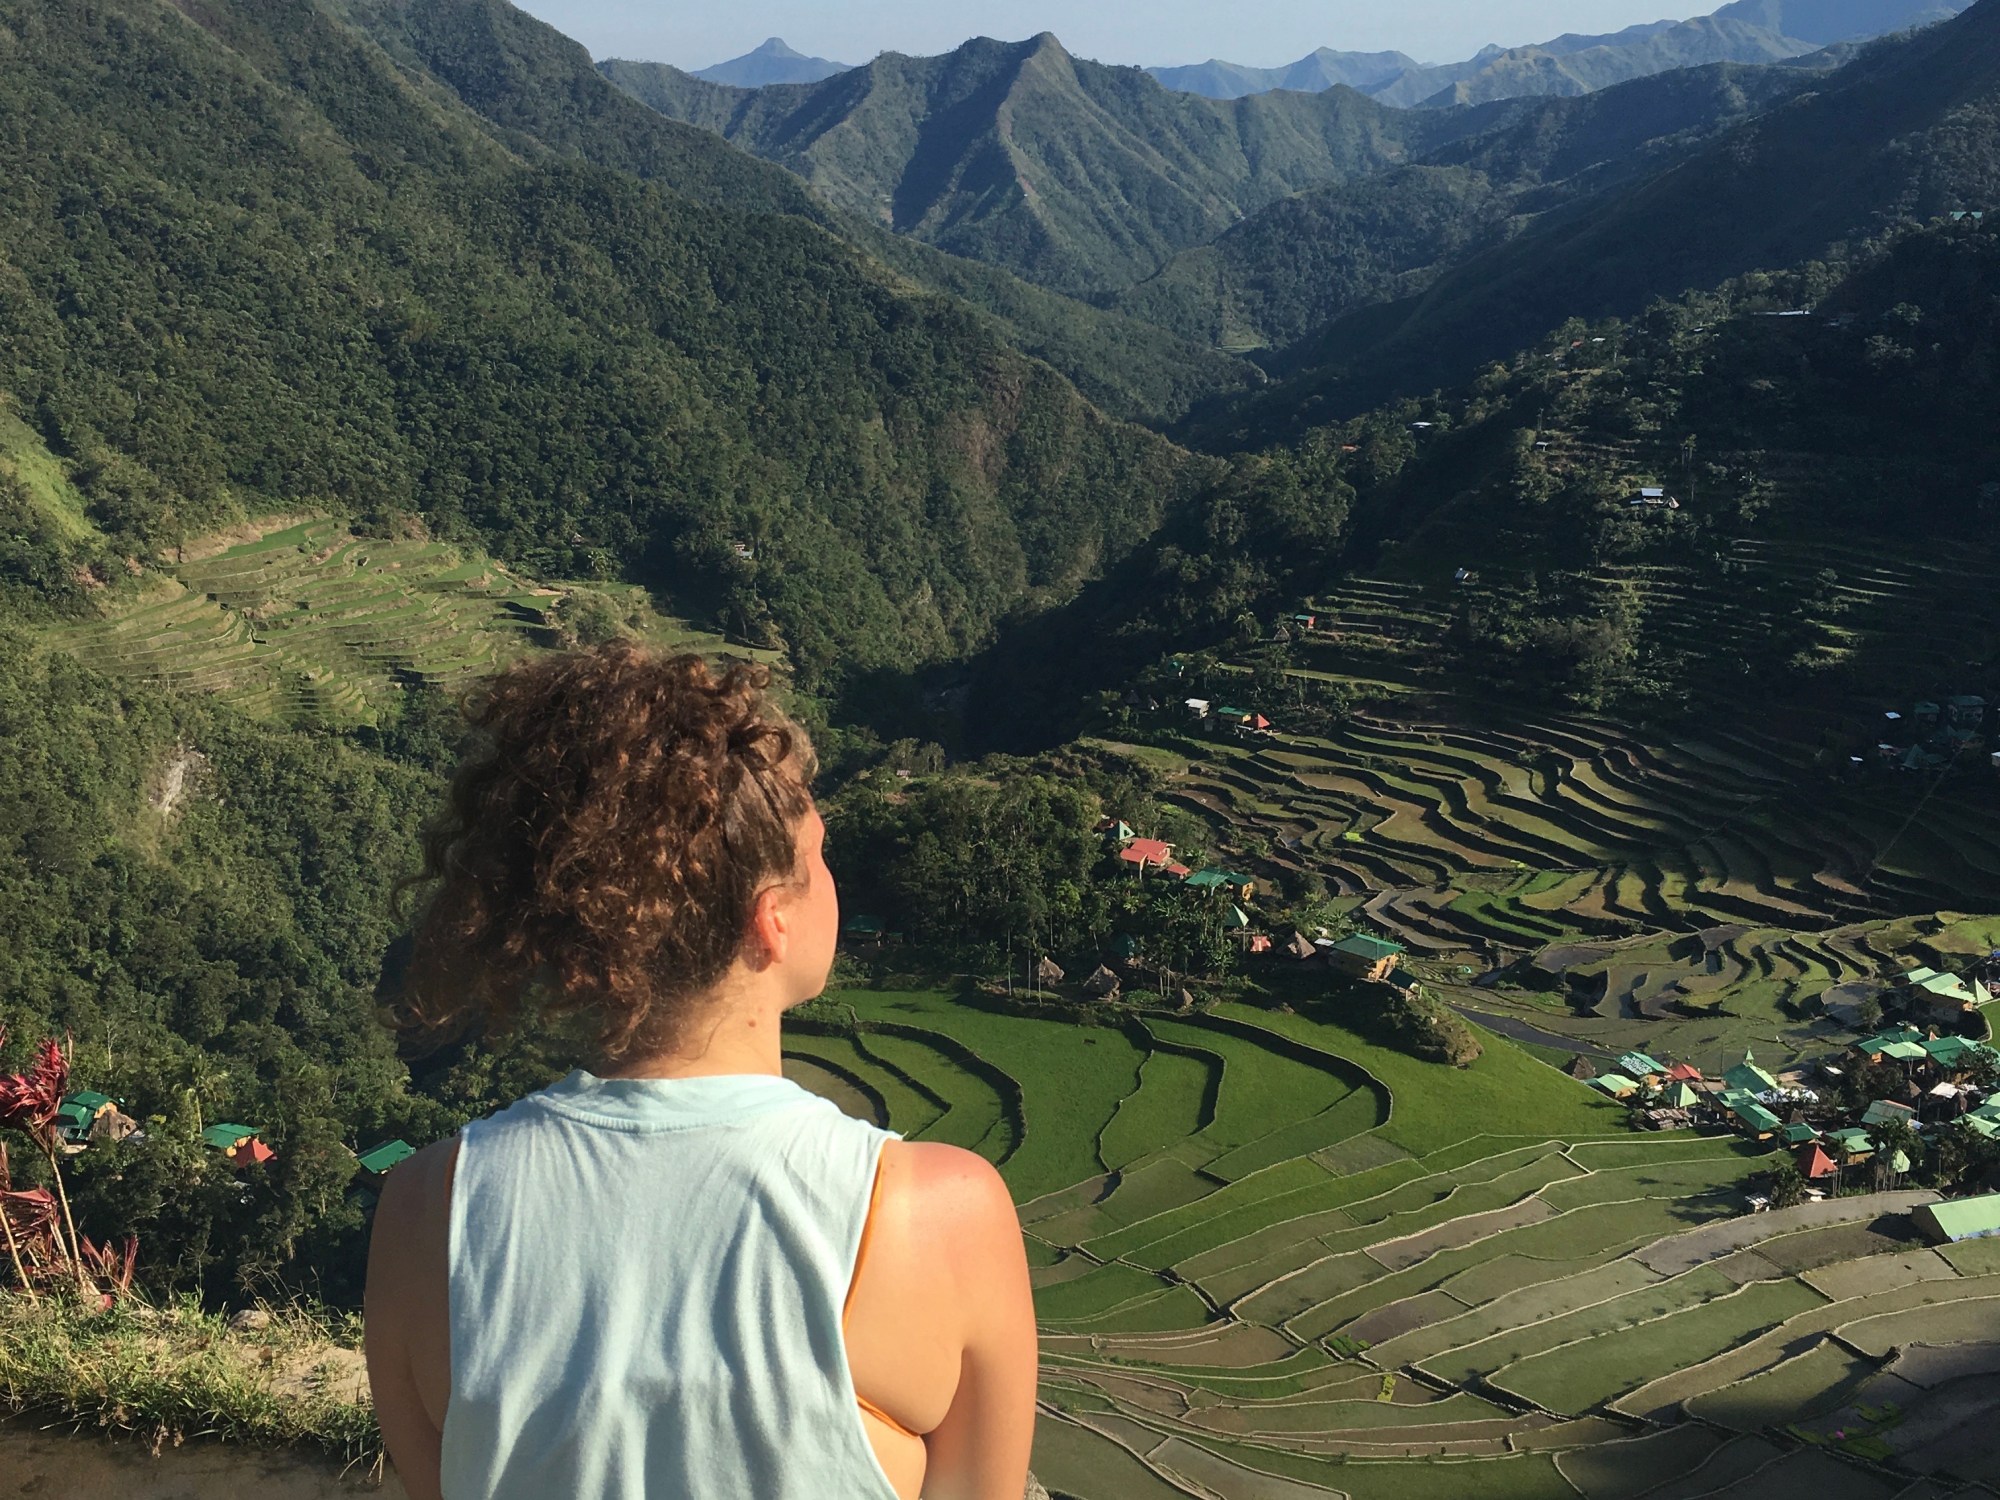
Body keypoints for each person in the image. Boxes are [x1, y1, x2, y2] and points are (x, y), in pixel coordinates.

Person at [365, 646, 1037, 1500]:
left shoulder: (429, 1207)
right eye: (819, 855)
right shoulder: (940, 1214)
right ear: (772, 923)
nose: (831, 877)